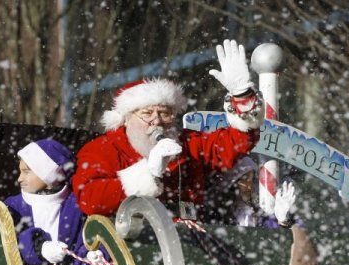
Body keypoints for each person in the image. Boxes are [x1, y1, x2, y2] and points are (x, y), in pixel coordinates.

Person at [72, 39, 265, 220]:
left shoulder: (188, 143)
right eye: (146, 113)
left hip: (191, 239)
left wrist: (242, 96)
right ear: (126, 118)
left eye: (165, 113)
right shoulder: (102, 149)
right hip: (132, 242)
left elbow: (236, 142)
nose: (156, 120)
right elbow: (89, 200)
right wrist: (148, 173)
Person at [204, 156, 297, 228]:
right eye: (245, 179)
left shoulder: (254, 214)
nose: (250, 186)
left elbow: (270, 234)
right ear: (233, 182)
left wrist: (282, 219)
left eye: (251, 180)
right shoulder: (215, 214)